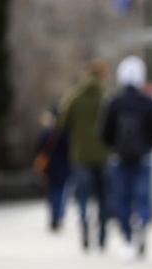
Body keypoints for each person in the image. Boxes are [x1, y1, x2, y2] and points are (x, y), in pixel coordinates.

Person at [101, 55, 152, 260]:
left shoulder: (114, 102)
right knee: (143, 197)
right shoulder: (148, 102)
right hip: (143, 158)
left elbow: (104, 131)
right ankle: (142, 222)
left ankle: (128, 238)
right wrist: (148, 146)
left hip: (120, 158)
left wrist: (115, 147)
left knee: (123, 199)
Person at [60, 60, 112, 251]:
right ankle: (102, 235)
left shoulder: (74, 97)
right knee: (103, 197)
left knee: (82, 197)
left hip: (80, 156)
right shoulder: (105, 97)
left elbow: (63, 125)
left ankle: (84, 228)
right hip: (103, 155)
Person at [35, 106, 71, 232]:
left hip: (49, 167)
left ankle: (54, 215)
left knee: (52, 193)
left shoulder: (46, 133)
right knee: (61, 193)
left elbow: (39, 151)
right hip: (62, 167)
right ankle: (58, 215)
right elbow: (69, 150)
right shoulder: (64, 133)